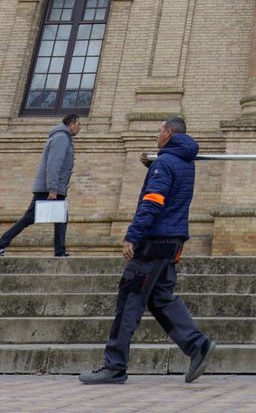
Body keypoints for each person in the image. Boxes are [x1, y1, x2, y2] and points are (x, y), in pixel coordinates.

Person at [79, 116, 215, 385]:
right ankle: (197, 345)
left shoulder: (165, 163)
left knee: (130, 299)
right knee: (160, 297)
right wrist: (153, 166)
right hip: (173, 241)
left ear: (168, 133)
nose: (157, 135)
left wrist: (132, 235)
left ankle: (114, 366)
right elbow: (172, 185)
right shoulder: (183, 161)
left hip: (153, 241)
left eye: (159, 130)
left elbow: (154, 201)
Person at [0, 114, 79, 258]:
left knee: (61, 219)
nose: (79, 127)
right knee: (29, 219)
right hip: (49, 189)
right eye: (78, 124)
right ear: (71, 124)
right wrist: (52, 188)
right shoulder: (61, 138)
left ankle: (60, 253)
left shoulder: (62, 138)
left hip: (54, 188)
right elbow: (54, 164)